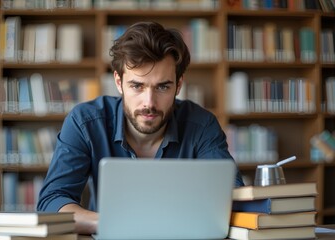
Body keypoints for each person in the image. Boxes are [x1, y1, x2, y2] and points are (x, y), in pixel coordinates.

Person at [37, 21, 244, 235]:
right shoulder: (85, 122)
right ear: (119, 81)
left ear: (179, 84)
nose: (149, 103)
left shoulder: (202, 125)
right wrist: (111, 223)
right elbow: (52, 201)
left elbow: (232, 196)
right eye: (137, 86)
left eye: (162, 87)